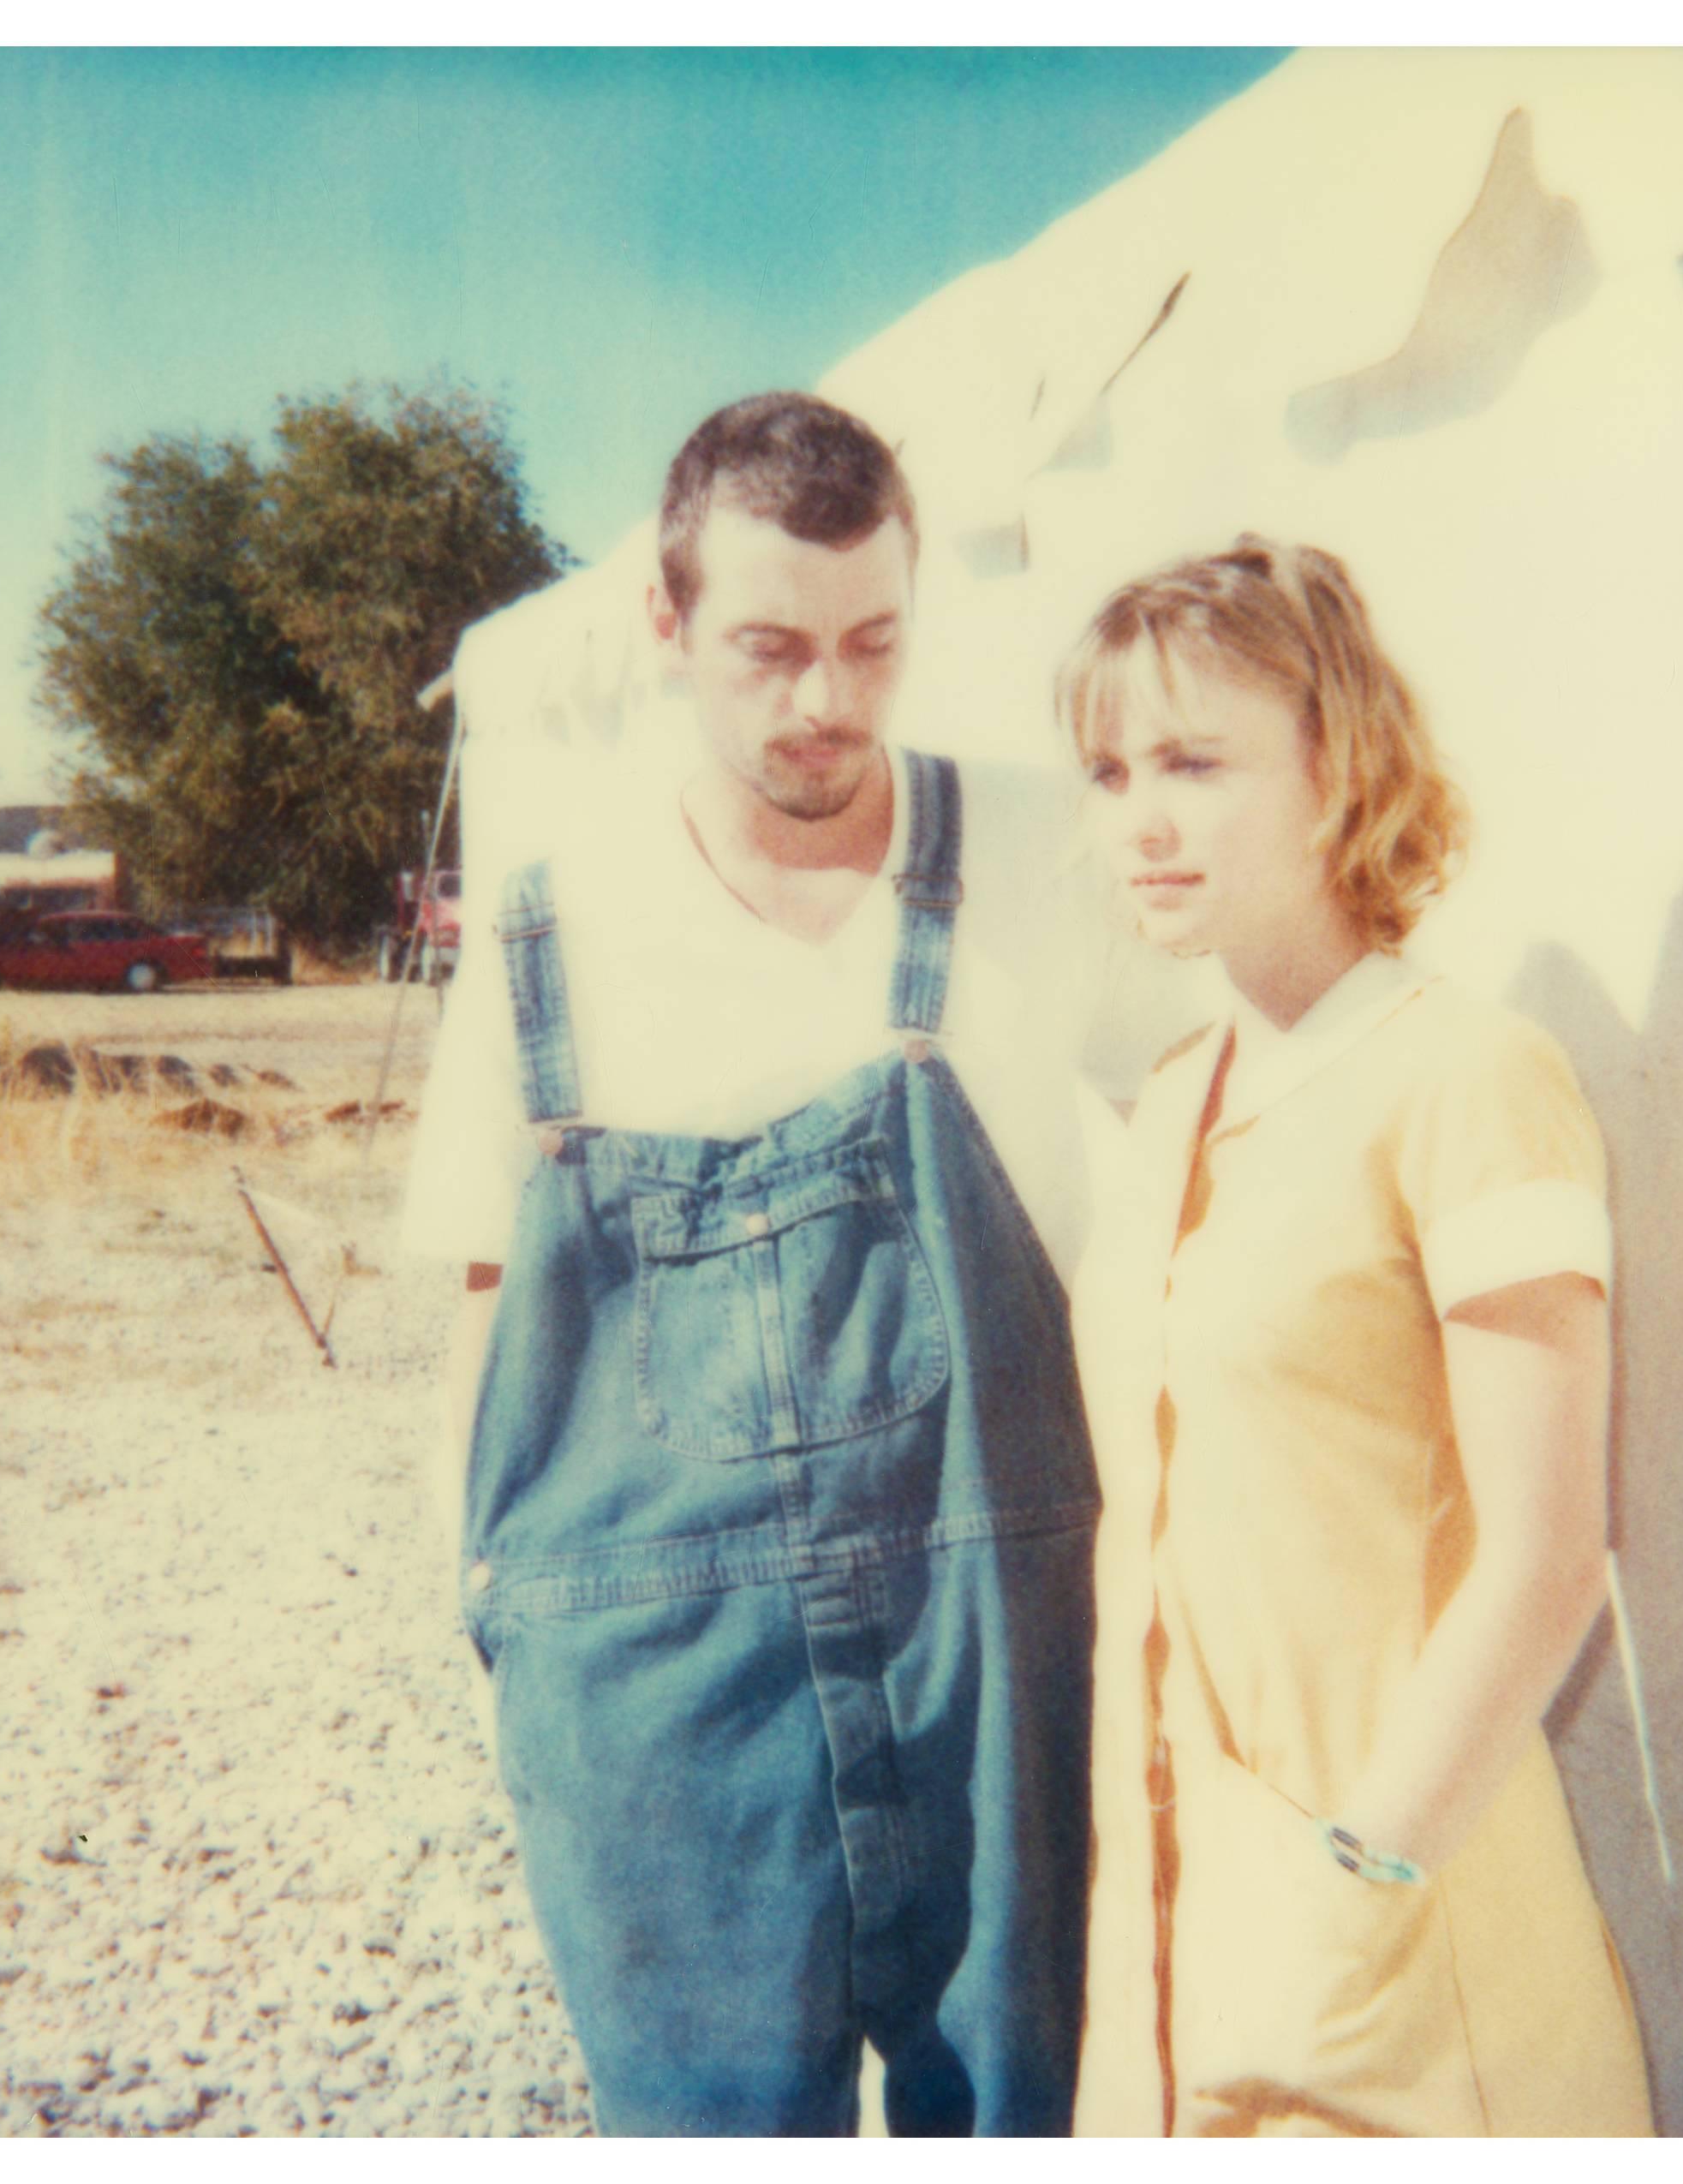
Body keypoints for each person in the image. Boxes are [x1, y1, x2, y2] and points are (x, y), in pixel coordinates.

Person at [400, 392, 1184, 2135]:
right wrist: (504, 1621)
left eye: (871, 645)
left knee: (1034, 2119)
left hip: (992, 1620)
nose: (826, 703)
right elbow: (485, 1302)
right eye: (766, 648)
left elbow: (1222, 1113)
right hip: (649, 1656)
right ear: (665, 628)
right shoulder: (544, 921)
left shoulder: (1044, 845)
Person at [1059, 534, 1656, 2137]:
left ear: (1342, 766)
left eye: (1196, 759)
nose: (1144, 816)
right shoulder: (1173, 1092)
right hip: (1174, 1935)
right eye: (1110, 769)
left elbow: (1548, 1561)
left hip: (1395, 1935)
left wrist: (1363, 1874)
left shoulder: (1471, 1077)